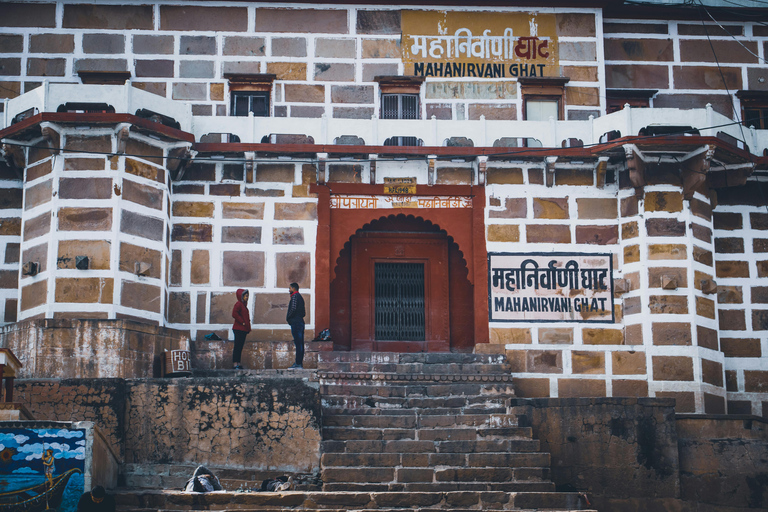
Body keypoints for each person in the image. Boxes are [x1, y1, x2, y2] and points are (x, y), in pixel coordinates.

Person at [286, 283, 305, 369]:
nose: (289, 290)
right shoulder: (301, 298)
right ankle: (299, 363)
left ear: (294, 288)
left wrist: (288, 317)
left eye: (290, 288)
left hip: (296, 323)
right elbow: (304, 313)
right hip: (300, 322)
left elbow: (293, 309)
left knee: (298, 343)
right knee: (300, 343)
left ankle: (298, 363)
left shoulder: (294, 297)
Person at [231, 289, 251, 370]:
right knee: (237, 346)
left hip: (243, 330)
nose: (247, 297)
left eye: (247, 296)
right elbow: (234, 313)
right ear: (241, 296)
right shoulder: (238, 304)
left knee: (240, 347)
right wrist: (242, 322)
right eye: (246, 296)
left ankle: (238, 363)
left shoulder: (244, 305)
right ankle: (235, 364)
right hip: (238, 329)